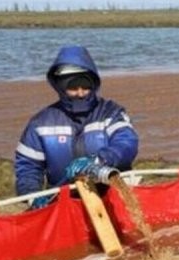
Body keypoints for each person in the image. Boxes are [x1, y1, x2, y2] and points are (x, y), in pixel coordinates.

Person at [14, 45, 139, 209]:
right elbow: (28, 166)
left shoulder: (111, 113)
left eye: (85, 86)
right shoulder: (40, 123)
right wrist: (33, 196)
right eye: (73, 87)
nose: (80, 93)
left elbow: (126, 143)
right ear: (60, 87)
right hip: (64, 204)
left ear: (94, 84)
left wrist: (98, 159)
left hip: (113, 198)